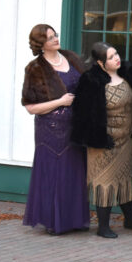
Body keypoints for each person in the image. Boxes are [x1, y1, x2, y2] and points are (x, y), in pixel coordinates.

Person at [72, 42, 132, 239]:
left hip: (126, 140)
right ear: (100, 62)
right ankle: (103, 226)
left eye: (117, 54)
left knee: (124, 178)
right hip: (104, 142)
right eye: (111, 57)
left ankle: (130, 219)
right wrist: (97, 137)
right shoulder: (90, 80)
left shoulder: (127, 72)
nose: (117, 58)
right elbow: (82, 114)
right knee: (104, 181)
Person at [20, 24, 90, 235]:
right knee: (55, 173)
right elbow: (30, 107)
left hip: (76, 126)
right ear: (41, 44)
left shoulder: (71, 58)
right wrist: (60, 102)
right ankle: (53, 221)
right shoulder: (35, 68)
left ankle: (74, 220)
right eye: (50, 38)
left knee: (74, 172)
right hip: (50, 130)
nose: (55, 39)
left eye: (55, 35)